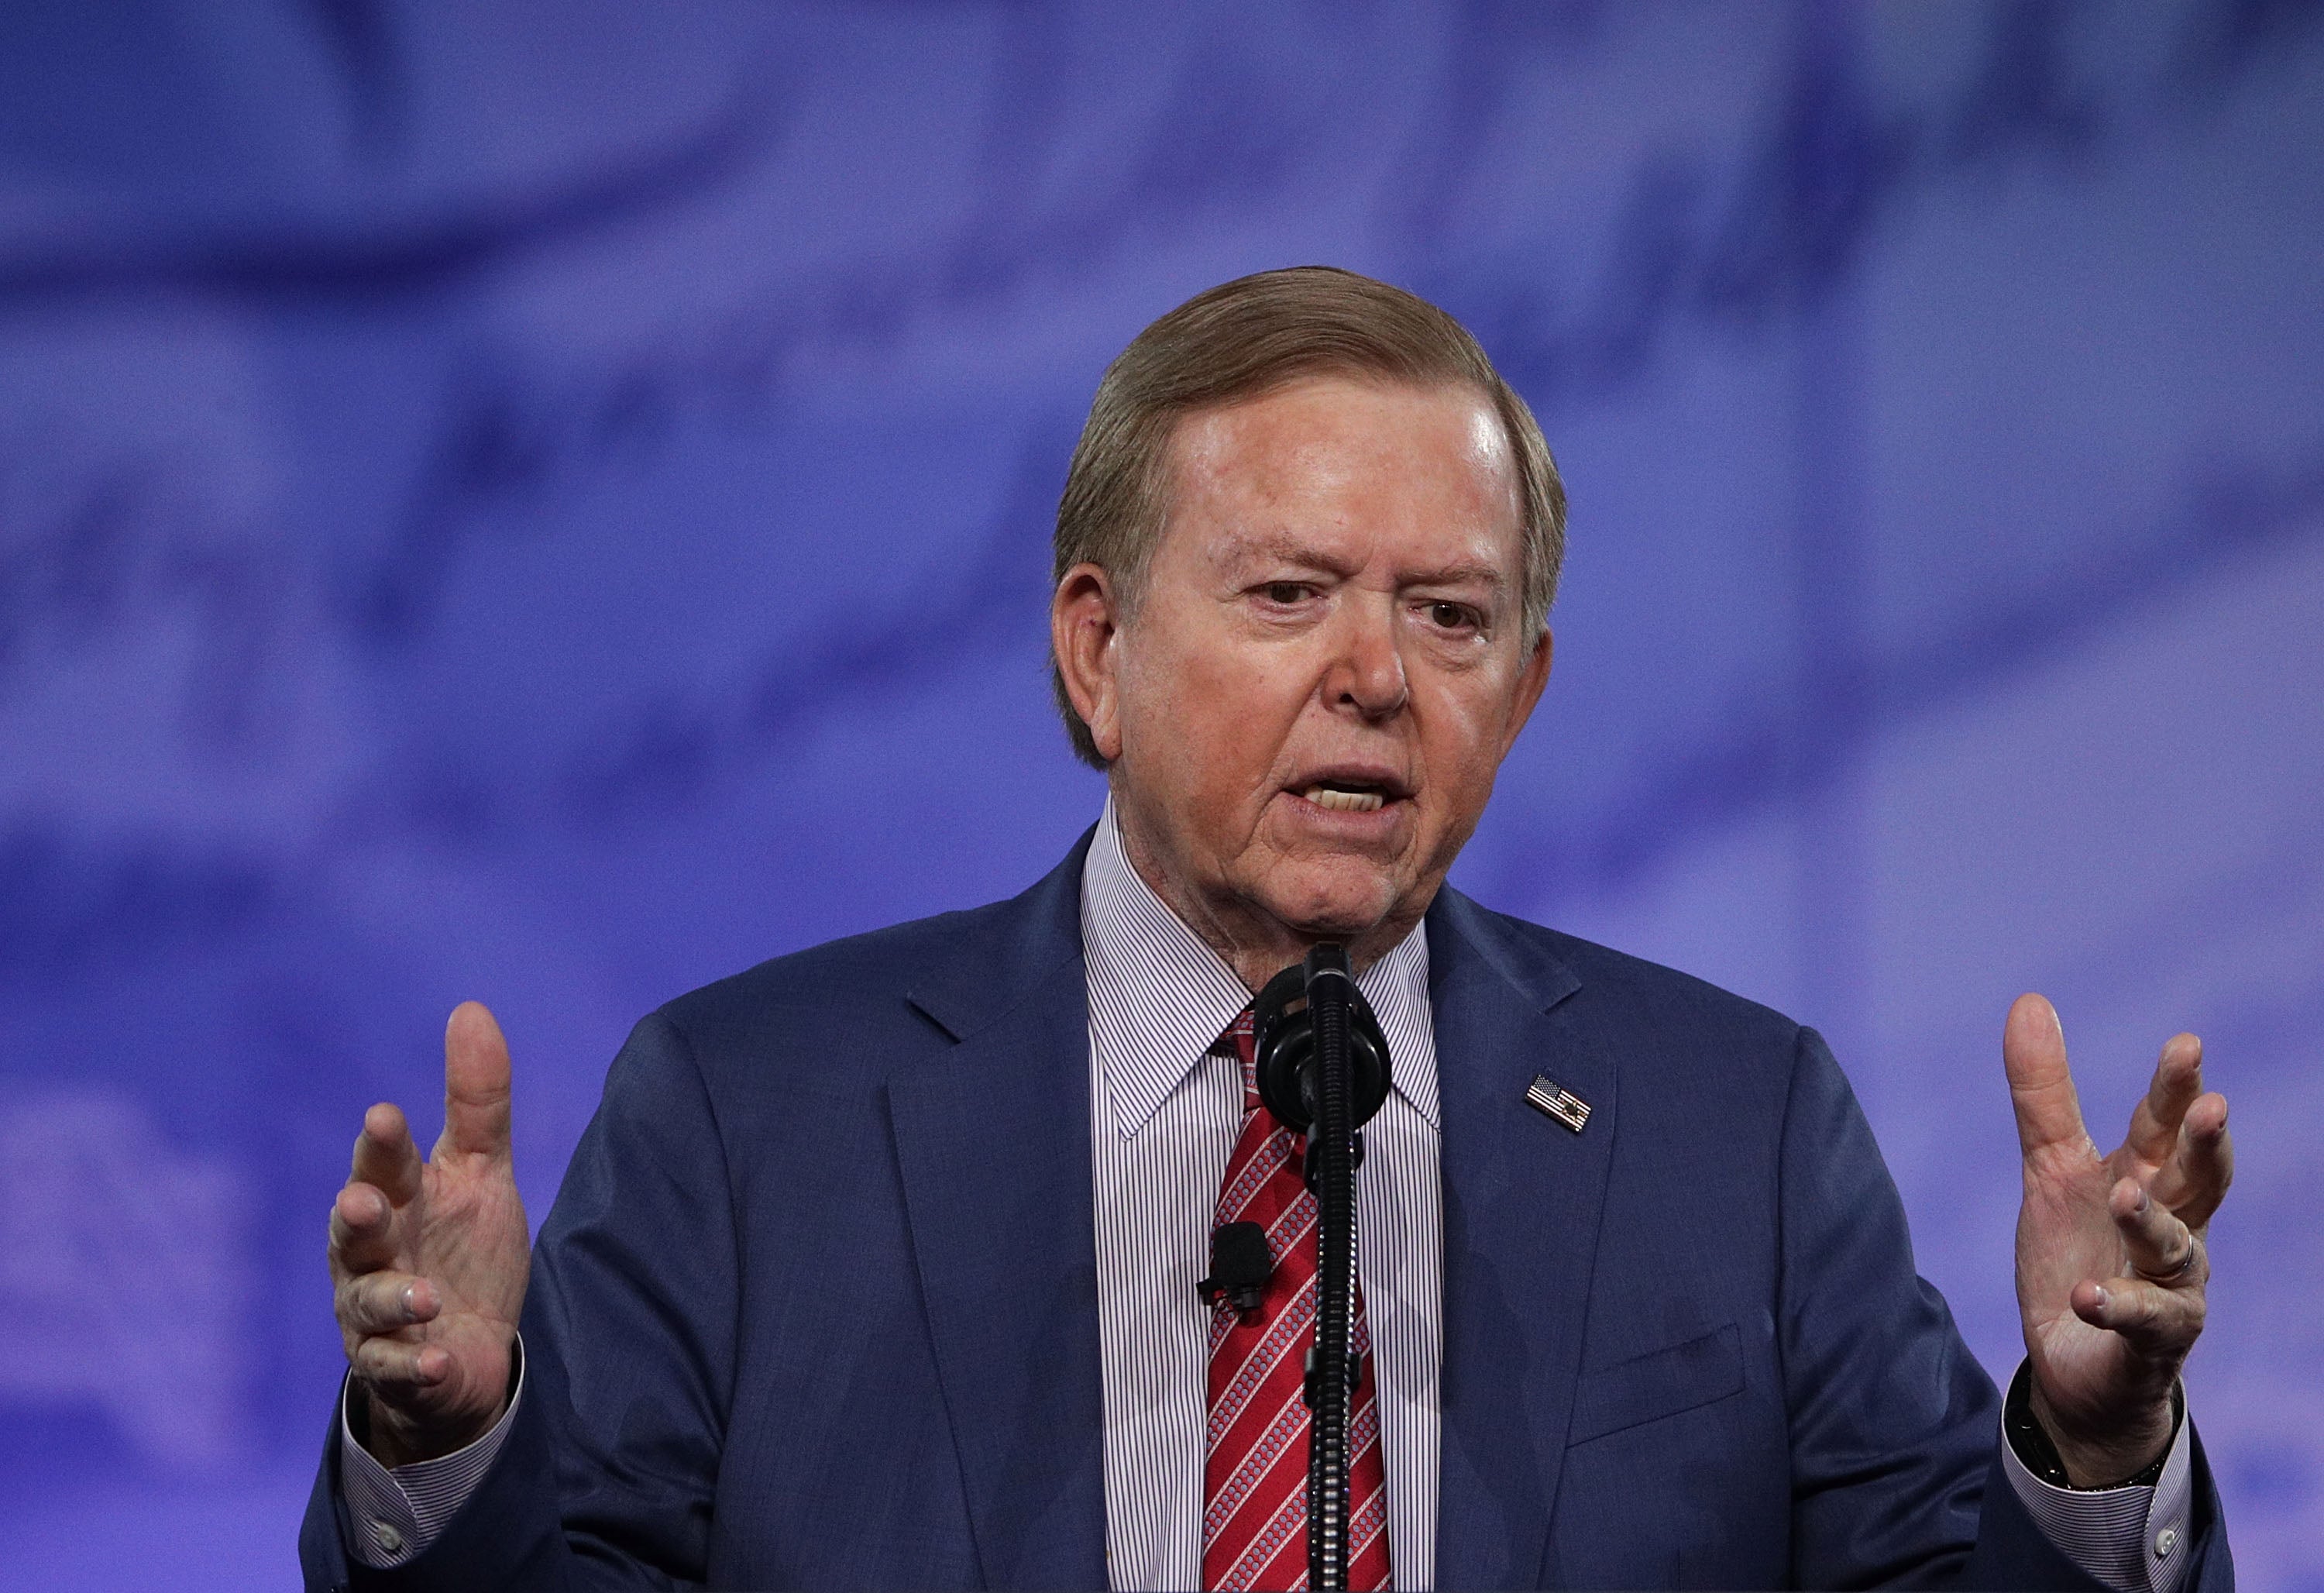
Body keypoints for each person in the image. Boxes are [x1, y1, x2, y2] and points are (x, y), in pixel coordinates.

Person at [302, 267, 2233, 1591]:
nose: (1379, 675)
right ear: (1097, 651)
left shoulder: (1736, 1126)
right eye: (1292, 591)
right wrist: (455, 1448)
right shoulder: (745, 1113)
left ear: (1529, 688)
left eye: (1452, 617)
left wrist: (2087, 1446)